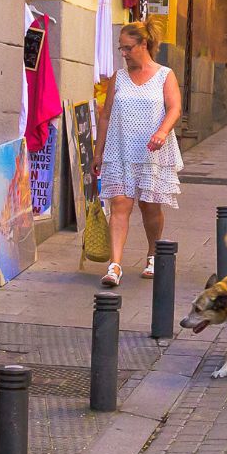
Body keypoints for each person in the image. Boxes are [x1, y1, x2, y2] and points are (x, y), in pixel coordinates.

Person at [93, 20, 183, 287]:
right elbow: (106, 116)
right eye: (120, 48)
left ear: (144, 44)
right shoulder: (119, 78)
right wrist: (98, 152)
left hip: (151, 152)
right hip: (120, 149)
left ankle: (153, 254)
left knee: (149, 206)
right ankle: (115, 265)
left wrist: (162, 132)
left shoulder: (164, 75)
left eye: (128, 48)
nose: (123, 53)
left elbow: (175, 108)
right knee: (120, 204)